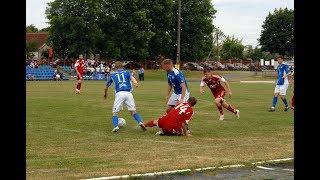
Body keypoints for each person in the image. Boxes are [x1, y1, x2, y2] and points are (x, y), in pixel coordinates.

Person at [104, 61, 146, 132]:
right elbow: (132, 79)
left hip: (119, 94)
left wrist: (105, 93)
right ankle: (140, 122)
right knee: (133, 111)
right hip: (128, 93)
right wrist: (135, 83)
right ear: (122, 67)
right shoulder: (127, 72)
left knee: (115, 112)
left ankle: (116, 126)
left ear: (115, 68)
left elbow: (106, 86)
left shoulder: (113, 75)